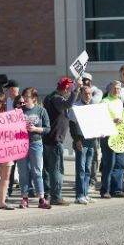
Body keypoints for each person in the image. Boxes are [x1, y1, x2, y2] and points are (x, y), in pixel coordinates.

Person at [43, 77, 80, 206]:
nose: (69, 91)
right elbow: (68, 104)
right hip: (54, 139)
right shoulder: (56, 98)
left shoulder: (49, 96)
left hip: (49, 137)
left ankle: (47, 193)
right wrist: (76, 91)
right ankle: (56, 196)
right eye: (69, 89)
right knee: (57, 169)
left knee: (48, 169)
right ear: (65, 88)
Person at [18, 87, 51, 209]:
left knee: (37, 171)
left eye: (27, 97)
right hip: (21, 143)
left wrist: (35, 129)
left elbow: (48, 129)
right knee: (23, 171)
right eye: (24, 97)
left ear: (34, 98)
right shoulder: (19, 111)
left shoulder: (41, 111)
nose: (25, 99)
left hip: (36, 143)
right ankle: (24, 197)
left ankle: (41, 198)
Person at [68, 83, 97, 204]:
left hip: (92, 139)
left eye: (90, 93)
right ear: (81, 94)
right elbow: (72, 125)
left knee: (88, 169)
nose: (88, 96)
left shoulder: (94, 106)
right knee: (81, 168)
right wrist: (77, 140)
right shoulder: (76, 107)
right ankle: (79, 195)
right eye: (86, 94)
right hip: (81, 139)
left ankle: (85, 193)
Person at [100, 81, 124, 199]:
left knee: (120, 164)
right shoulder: (104, 101)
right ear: (109, 89)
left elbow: (123, 118)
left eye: (118, 88)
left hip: (119, 137)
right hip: (108, 136)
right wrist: (113, 121)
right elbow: (101, 119)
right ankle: (105, 190)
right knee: (109, 164)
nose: (117, 90)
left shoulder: (119, 102)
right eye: (114, 88)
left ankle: (116, 189)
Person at [81, 72, 102, 190]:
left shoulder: (97, 91)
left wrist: (86, 92)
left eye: (87, 80)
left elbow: (94, 102)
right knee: (82, 155)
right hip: (82, 129)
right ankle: (83, 179)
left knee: (93, 154)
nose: (84, 82)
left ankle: (92, 179)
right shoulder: (78, 92)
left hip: (93, 128)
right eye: (83, 80)